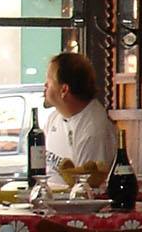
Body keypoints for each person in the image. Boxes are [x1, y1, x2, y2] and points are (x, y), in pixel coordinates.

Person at [42, 51, 116, 186]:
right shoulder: (54, 118)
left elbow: (87, 187)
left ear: (64, 90)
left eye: (49, 81)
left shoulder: (94, 129)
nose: (45, 85)